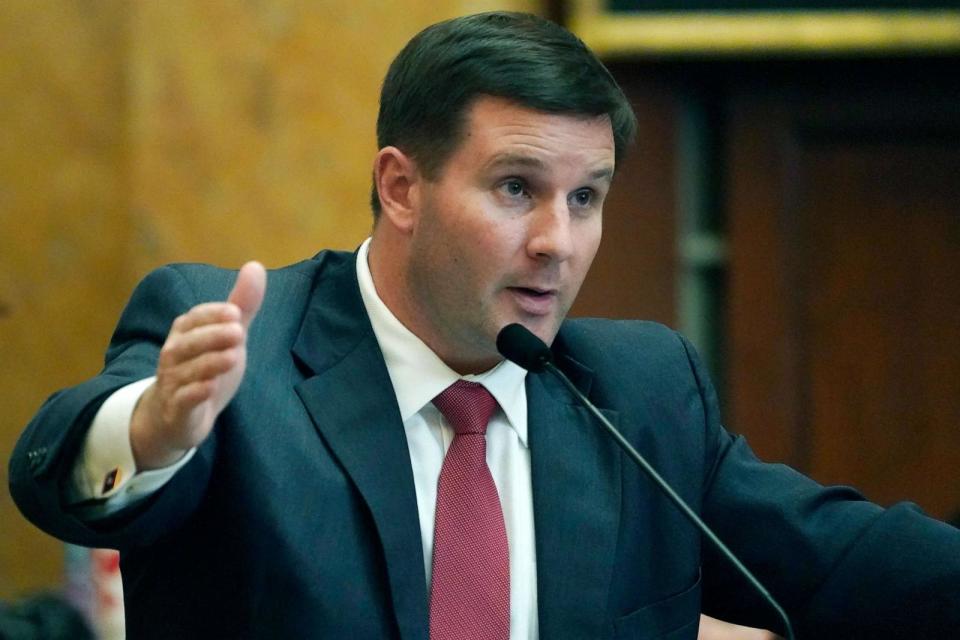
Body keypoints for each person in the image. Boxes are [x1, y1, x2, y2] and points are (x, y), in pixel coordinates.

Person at [8, 11, 960, 640]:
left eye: (586, 197)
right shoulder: (241, 358)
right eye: (517, 189)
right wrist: (153, 430)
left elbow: (846, 560)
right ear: (402, 185)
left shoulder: (639, 390)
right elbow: (51, 473)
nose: (558, 242)